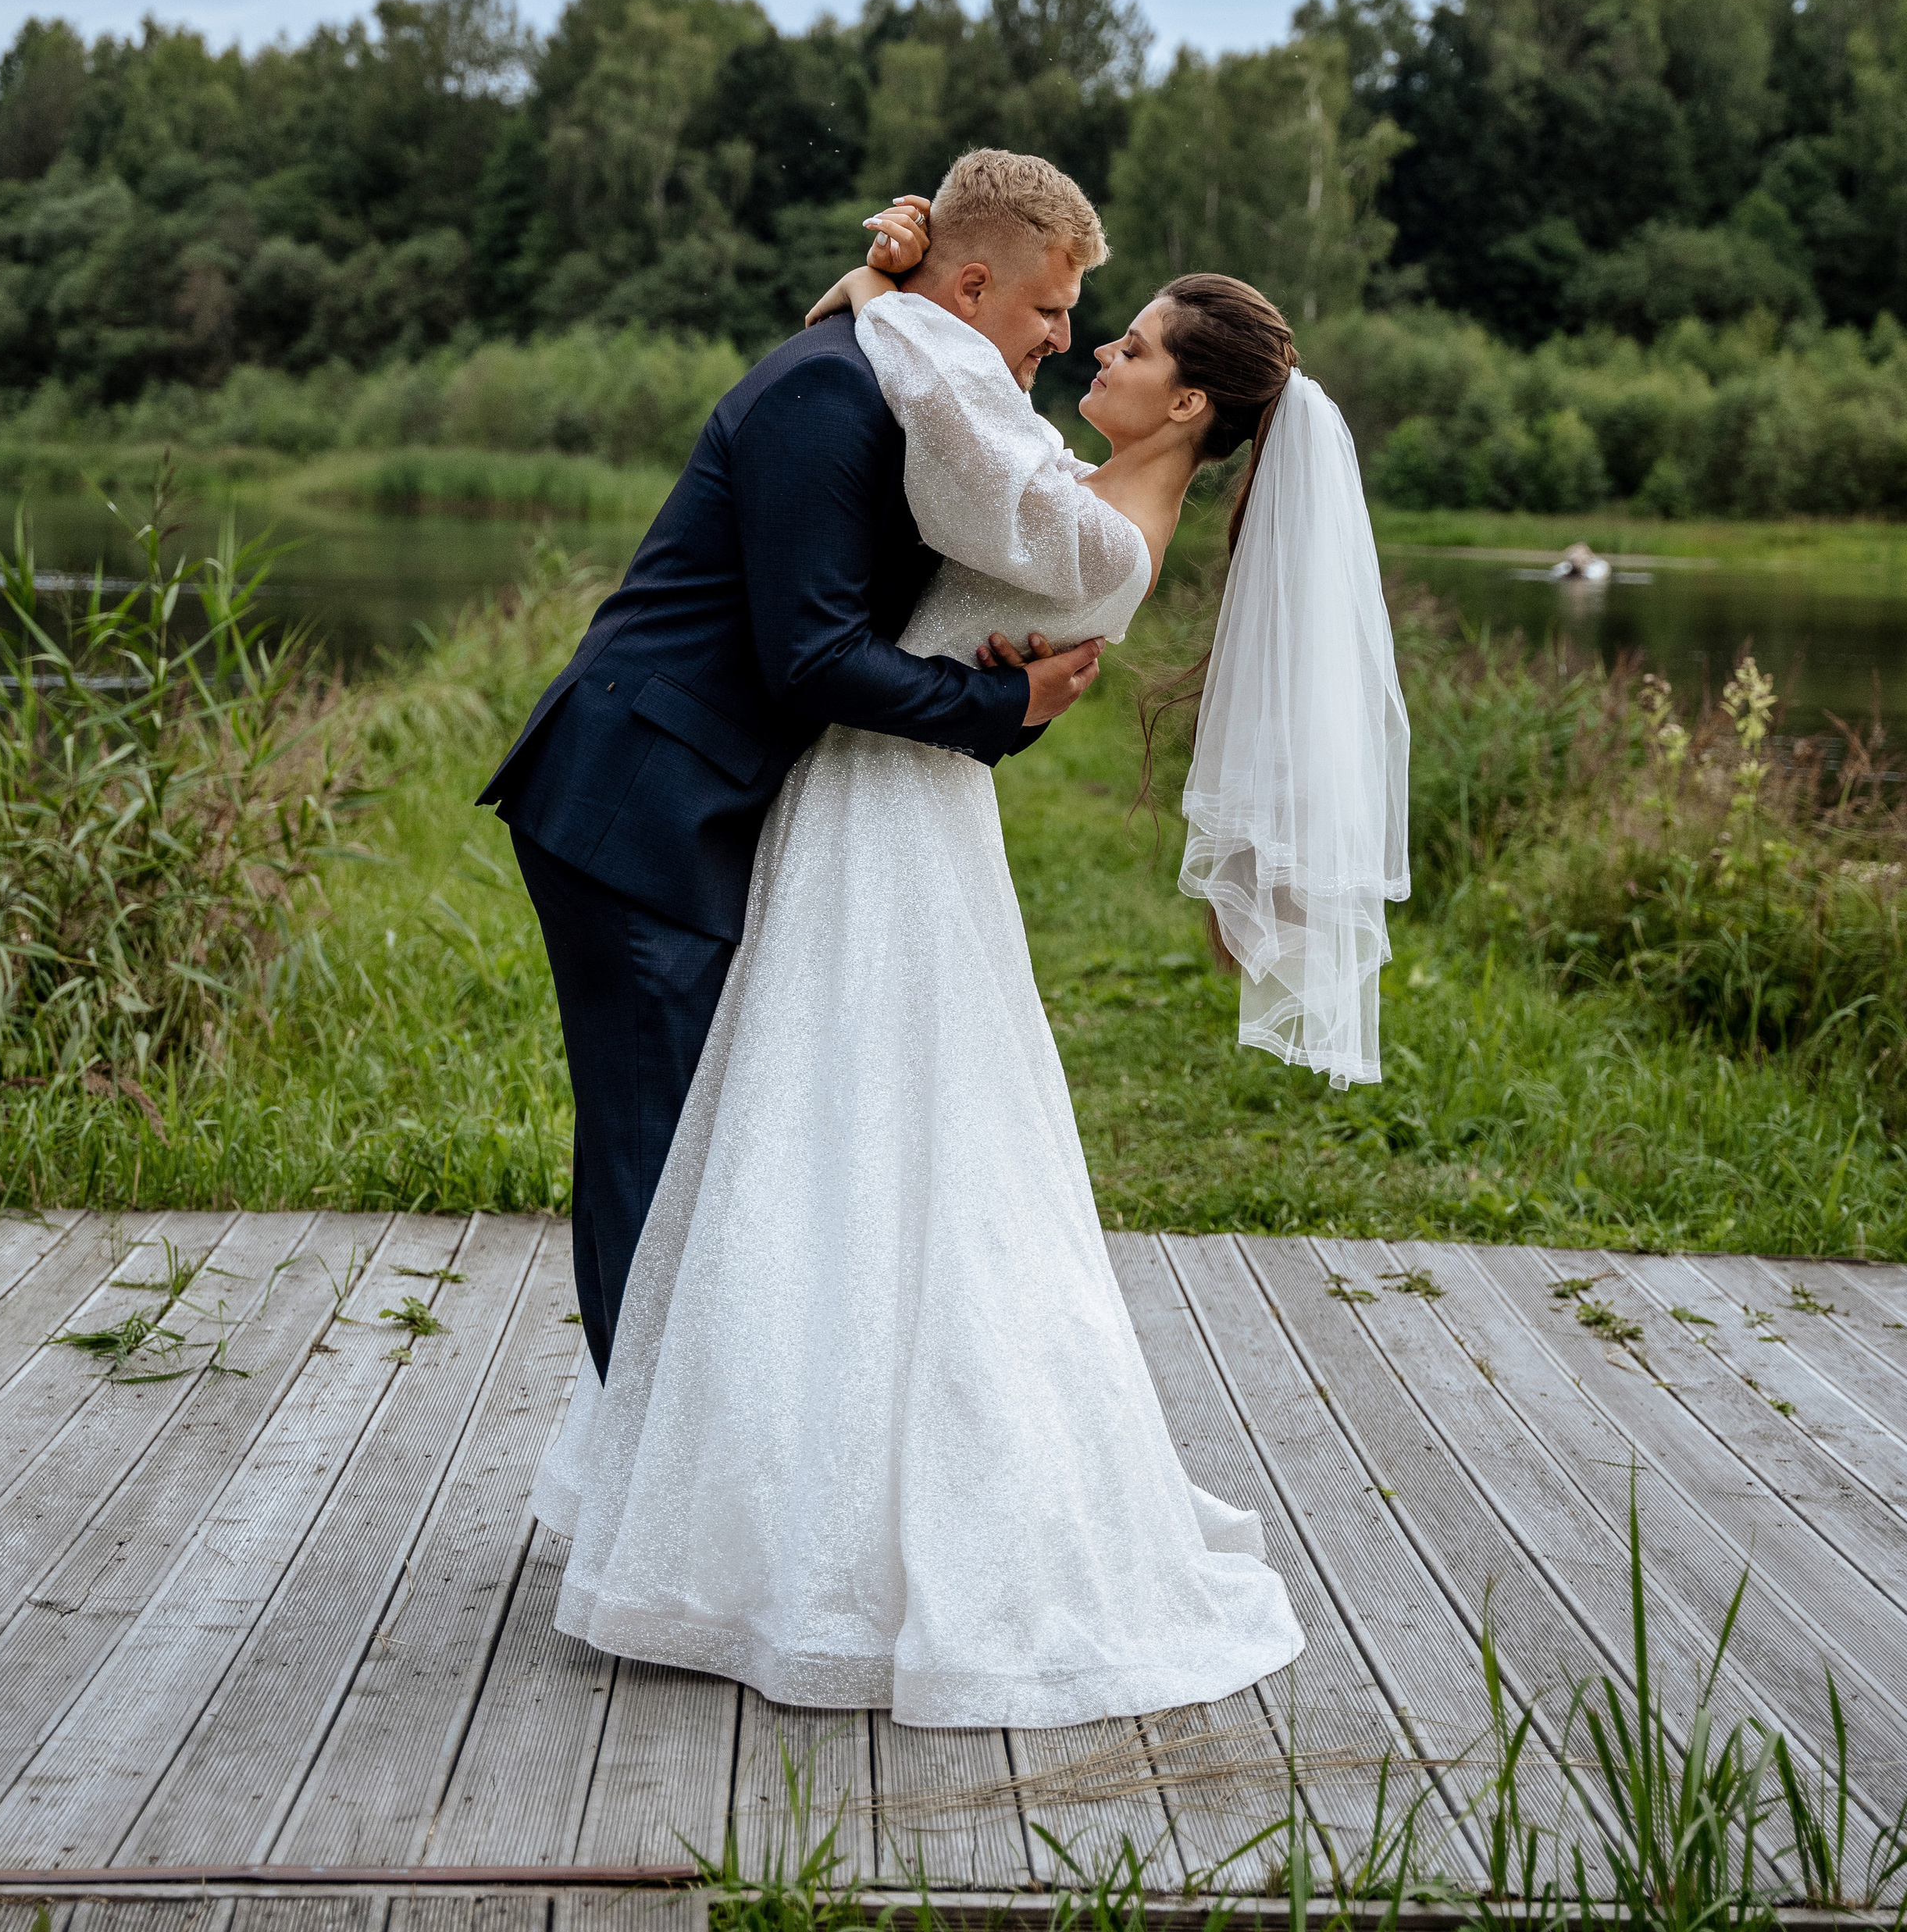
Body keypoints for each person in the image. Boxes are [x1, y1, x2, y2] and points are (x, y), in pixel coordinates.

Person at [523, 199, 1406, 1726]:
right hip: (873, 804)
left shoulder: (1085, 528)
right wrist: (903, 285)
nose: (1086, 350)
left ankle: (784, 1504)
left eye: (1120, 343)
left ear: (1186, 403)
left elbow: (912, 386)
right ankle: (740, 1475)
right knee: (822, 1148)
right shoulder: (1074, 500)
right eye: (1078, 317)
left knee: (870, 1156)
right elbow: (903, 407)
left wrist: (895, 280)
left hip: (888, 818)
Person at [477, 150, 1112, 1378]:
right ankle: (639, 1508)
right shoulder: (833, 394)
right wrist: (997, 701)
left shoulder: (907, 392)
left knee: (711, 1160)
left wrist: (1015, 687)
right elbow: (812, 659)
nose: (1062, 342)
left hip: (700, 806)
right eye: (1048, 311)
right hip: (634, 810)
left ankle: (687, 1479)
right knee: (654, 1168)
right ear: (971, 287)